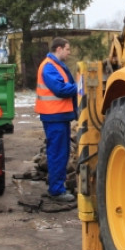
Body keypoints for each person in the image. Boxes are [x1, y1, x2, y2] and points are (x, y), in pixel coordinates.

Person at [35, 37, 78, 203]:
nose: (69, 52)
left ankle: (58, 186)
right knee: (58, 154)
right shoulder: (49, 67)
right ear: (58, 49)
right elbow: (60, 89)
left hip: (59, 116)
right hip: (54, 116)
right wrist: (81, 86)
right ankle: (56, 190)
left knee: (61, 152)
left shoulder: (56, 66)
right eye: (67, 49)